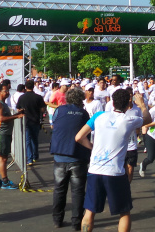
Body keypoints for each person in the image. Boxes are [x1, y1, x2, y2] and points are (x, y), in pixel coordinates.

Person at [75, 89, 152, 232]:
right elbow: (148, 119)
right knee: (124, 211)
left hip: (95, 170)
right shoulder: (128, 120)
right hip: (115, 173)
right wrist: (141, 105)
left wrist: (92, 147)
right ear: (127, 105)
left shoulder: (98, 116)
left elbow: (79, 137)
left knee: (90, 210)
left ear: (113, 102)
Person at [51, 88, 91, 230]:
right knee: (78, 191)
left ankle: (57, 220)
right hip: (78, 156)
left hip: (60, 154)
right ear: (81, 99)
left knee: (59, 190)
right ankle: (76, 222)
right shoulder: (83, 113)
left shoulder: (59, 110)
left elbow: (53, 124)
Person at [0, 83, 25, 189]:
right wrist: (16, 116)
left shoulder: (3, 103)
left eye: (8, 90)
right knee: (3, 158)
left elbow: (5, 117)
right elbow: (0, 118)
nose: (7, 93)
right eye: (5, 91)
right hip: (1, 133)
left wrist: (16, 115)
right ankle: (5, 181)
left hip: (3, 133)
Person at [16, 79, 47, 166]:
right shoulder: (38, 97)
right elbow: (42, 109)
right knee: (35, 139)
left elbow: (18, 109)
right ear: (33, 86)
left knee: (27, 140)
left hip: (26, 121)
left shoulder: (21, 97)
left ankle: (29, 159)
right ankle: (35, 156)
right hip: (36, 120)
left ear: (25, 87)